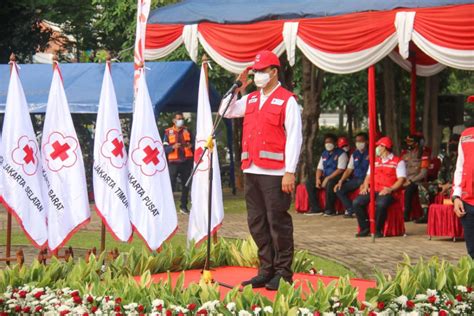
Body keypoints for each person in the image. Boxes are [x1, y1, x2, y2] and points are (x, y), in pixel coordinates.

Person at [220, 50, 302, 290]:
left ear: (274, 72)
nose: (257, 75)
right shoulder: (252, 99)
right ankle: (266, 270)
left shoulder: (287, 100)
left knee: (278, 223)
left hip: (276, 173)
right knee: (257, 222)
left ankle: (283, 273)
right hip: (252, 170)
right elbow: (225, 111)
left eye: (261, 71)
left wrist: (290, 171)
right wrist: (237, 86)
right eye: (254, 71)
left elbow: (294, 137)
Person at [353, 136, 406, 237]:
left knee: (381, 204)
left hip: (388, 191)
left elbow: (401, 180)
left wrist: (390, 189)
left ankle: (377, 229)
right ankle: (365, 228)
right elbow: (368, 176)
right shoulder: (375, 161)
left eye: (379, 146)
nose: (377, 148)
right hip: (374, 189)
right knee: (357, 202)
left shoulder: (398, 162)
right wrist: (365, 186)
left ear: (385, 147)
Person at [415, 134, 460, 223]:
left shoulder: (463, 157)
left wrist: (449, 185)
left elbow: (461, 176)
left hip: (455, 186)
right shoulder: (447, 158)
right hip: (444, 184)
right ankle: (426, 214)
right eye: (451, 142)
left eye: (454, 142)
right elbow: (441, 172)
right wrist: (441, 183)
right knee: (423, 186)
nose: (451, 144)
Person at [306, 134, 348, 216]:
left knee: (330, 183)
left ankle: (329, 209)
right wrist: (318, 179)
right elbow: (319, 168)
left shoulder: (341, 153)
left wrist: (328, 178)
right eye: (326, 142)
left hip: (337, 177)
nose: (328, 144)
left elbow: (340, 169)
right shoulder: (324, 154)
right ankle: (315, 208)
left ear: (335, 143)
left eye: (330, 142)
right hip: (326, 176)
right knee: (309, 182)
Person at [163, 112, 194, 214]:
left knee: (186, 185)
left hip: (186, 161)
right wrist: (172, 147)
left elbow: (194, 144)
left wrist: (191, 146)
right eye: (178, 119)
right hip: (173, 163)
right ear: (174, 121)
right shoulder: (168, 132)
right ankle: (169, 207)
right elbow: (164, 148)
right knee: (171, 185)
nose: (181, 120)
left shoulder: (188, 131)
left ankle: (183, 206)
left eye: (182, 119)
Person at [334, 132, 369, 218]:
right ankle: (351, 209)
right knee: (339, 189)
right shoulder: (354, 154)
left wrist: (366, 183)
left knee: (360, 182)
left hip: (366, 178)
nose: (358, 143)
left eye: (361, 141)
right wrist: (341, 181)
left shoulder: (372, 153)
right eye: (357, 141)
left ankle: (354, 210)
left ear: (367, 142)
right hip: (356, 179)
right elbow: (349, 169)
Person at [453, 122, 474, 258]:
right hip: (467, 201)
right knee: (472, 250)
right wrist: (456, 197)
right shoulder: (466, 135)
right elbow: (460, 167)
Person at [401, 134, 430, 221]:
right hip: (405, 179)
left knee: (409, 190)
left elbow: (423, 173)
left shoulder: (423, 154)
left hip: (417, 181)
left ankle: (406, 215)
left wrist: (410, 180)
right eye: (407, 142)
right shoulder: (405, 154)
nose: (408, 144)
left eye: (410, 142)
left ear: (417, 143)